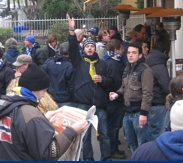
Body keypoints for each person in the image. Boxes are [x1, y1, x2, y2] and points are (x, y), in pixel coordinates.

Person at [0, 63, 90, 160]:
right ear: (35, 89)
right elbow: (49, 153)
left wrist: (43, 119)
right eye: (44, 90)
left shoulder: (2, 106)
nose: (44, 95)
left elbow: (19, 132)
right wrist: (72, 131)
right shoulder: (30, 115)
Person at [67, 13, 114, 161]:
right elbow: (72, 48)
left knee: (104, 134)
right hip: (83, 104)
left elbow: (112, 82)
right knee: (85, 136)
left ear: (95, 48)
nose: (89, 48)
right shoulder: (79, 62)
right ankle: (88, 159)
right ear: (84, 48)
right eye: (87, 46)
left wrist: (103, 80)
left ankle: (106, 158)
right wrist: (71, 30)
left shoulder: (103, 64)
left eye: (92, 46)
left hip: (100, 104)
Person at [109, 41, 153, 153]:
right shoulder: (127, 68)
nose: (130, 55)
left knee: (142, 144)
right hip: (127, 112)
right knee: (131, 143)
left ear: (140, 55)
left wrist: (143, 113)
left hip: (138, 113)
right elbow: (124, 87)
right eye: (128, 52)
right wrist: (117, 94)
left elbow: (147, 93)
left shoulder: (145, 70)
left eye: (134, 53)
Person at [102, 39, 126, 159]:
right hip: (114, 100)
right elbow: (117, 82)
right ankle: (112, 150)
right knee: (113, 126)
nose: (123, 51)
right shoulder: (115, 64)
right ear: (116, 50)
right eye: (122, 49)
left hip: (109, 99)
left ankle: (113, 148)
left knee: (111, 126)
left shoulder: (107, 61)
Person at [143, 40, 170, 141]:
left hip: (151, 103)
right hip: (158, 103)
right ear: (164, 52)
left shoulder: (148, 63)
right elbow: (165, 86)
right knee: (159, 133)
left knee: (152, 132)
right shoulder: (160, 66)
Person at [41, 42, 76, 108]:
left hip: (51, 99)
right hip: (67, 100)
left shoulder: (49, 63)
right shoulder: (70, 66)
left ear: (59, 51)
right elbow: (72, 86)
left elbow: (42, 77)